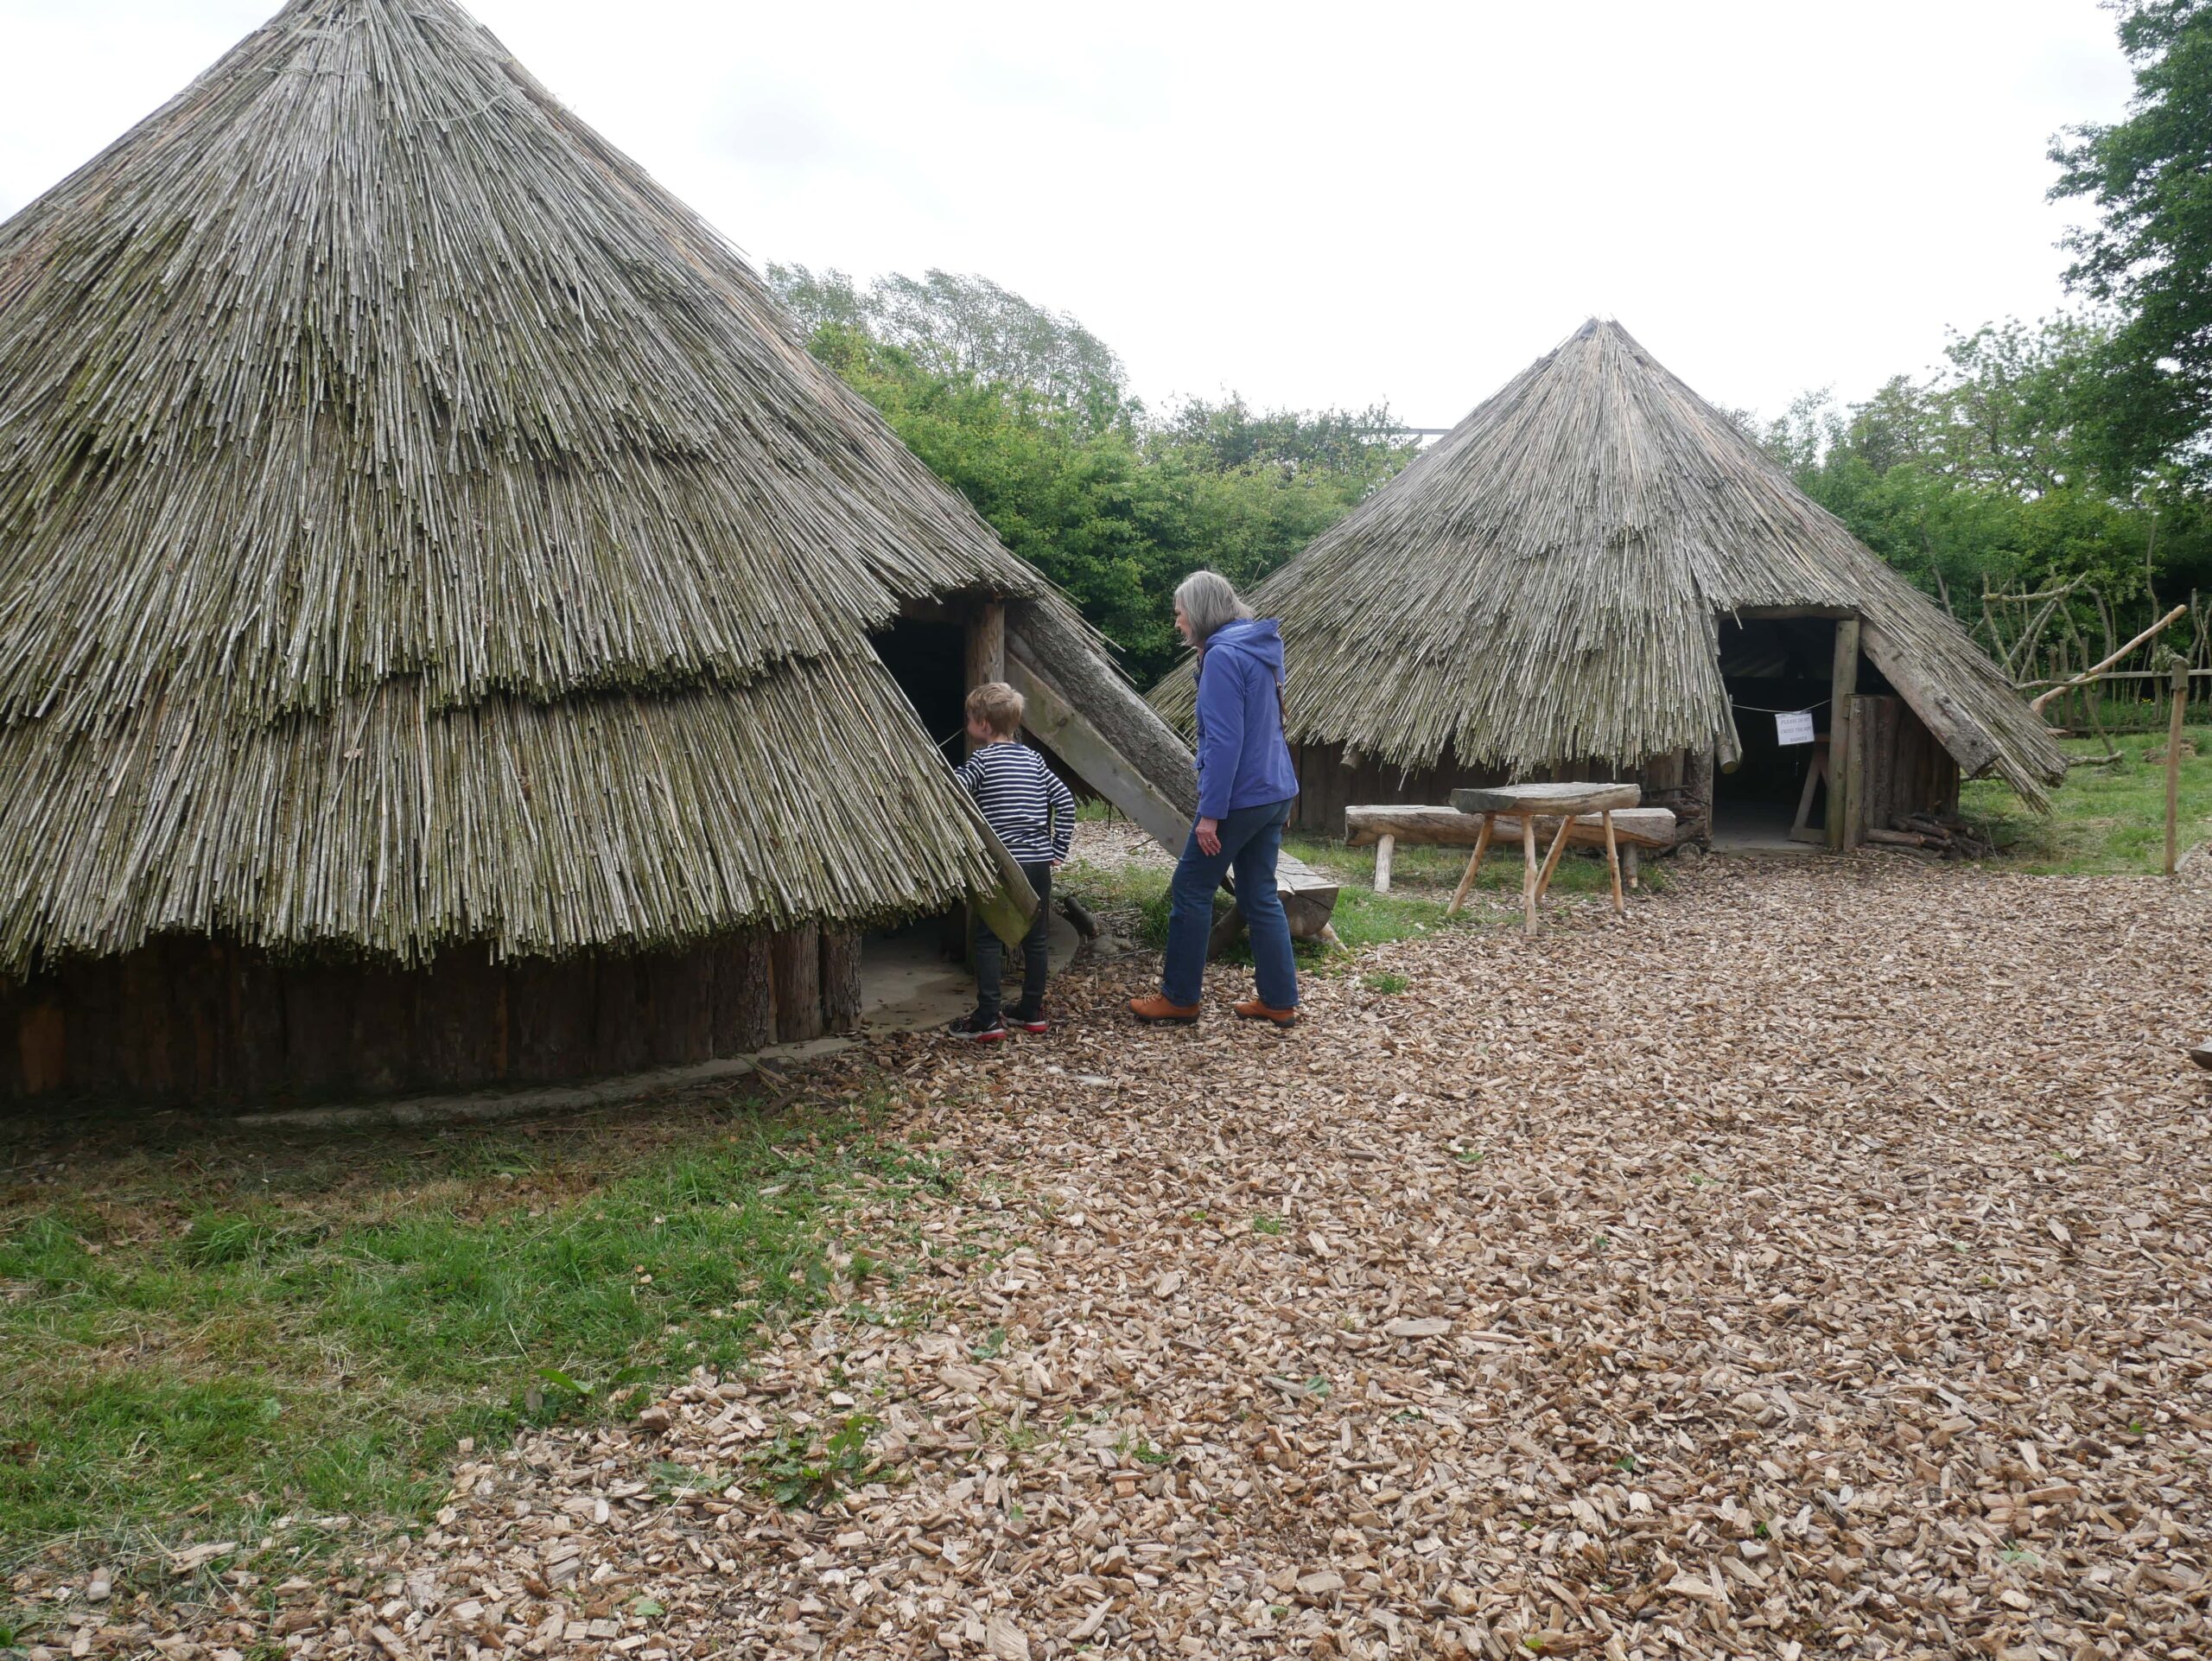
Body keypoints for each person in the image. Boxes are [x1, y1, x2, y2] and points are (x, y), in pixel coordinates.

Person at [1129, 570, 1301, 1028]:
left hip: (1240, 797)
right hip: (1273, 791)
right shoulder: (1256, 649)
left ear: (1201, 612)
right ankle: (1279, 1000)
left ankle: (1180, 997)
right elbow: (1273, 727)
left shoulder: (1225, 657)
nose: (1177, 623)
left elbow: (1226, 743)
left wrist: (1210, 815)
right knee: (1259, 893)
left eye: (1180, 613)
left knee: (1191, 888)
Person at [947, 682, 1075, 1042]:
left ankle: (988, 1017)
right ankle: (1031, 1011)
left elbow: (955, 790)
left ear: (984, 725)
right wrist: (1057, 848)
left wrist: (937, 777)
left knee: (988, 938)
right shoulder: (1033, 760)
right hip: (1036, 862)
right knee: (1036, 938)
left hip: (1003, 863)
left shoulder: (982, 760)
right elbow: (1065, 802)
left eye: (970, 718)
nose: (968, 724)